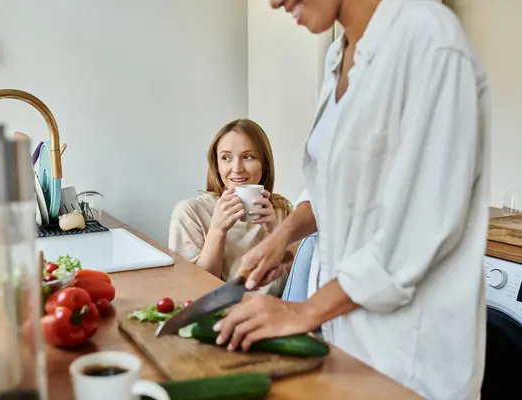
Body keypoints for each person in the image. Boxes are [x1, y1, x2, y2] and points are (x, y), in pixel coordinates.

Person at [212, 1, 490, 399]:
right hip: (349, 340)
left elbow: (419, 228)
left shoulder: (429, 41)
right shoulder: (338, 55)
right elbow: (336, 188)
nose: (272, 2)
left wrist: (302, 311)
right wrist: (283, 233)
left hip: (411, 360)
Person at [168, 119, 294, 297]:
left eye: (248, 156)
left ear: (264, 164)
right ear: (217, 166)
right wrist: (218, 229)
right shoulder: (190, 213)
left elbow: (300, 282)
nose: (236, 168)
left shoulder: (281, 210)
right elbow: (193, 291)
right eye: (226, 158)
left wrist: (278, 233)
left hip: (273, 315)